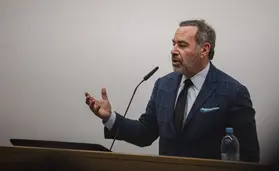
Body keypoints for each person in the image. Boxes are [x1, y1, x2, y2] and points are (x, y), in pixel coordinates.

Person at [85, 19, 260, 162]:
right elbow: (145, 133)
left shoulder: (234, 92)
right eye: (173, 44)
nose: (173, 51)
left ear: (204, 49)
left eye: (182, 45)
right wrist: (109, 118)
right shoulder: (163, 85)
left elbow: (249, 156)